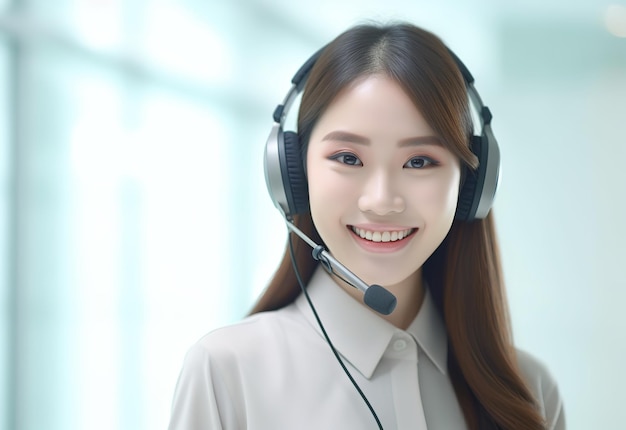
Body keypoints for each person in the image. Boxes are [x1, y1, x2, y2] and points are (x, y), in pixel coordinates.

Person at [168, 22, 565, 430]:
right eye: (348, 158)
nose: (381, 201)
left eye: (420, 161)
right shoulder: (227, 373)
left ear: (470, 185)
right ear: (293, 173)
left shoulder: (529, 392)